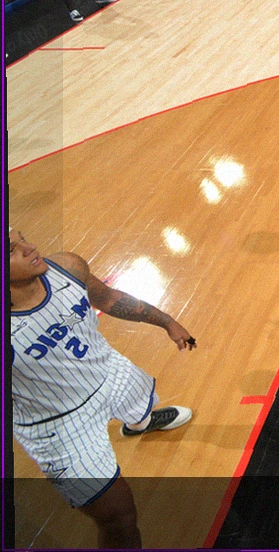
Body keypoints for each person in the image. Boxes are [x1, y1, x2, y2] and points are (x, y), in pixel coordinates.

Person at [9, 229, 196, 548]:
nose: (30, 247)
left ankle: (140, 424)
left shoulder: (66, 267)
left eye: (22, 239)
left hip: (107, 371)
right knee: (118, 517)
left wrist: (167, 321)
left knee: (142, 401)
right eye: (11, 250)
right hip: (57, 424)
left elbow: (109, 299)